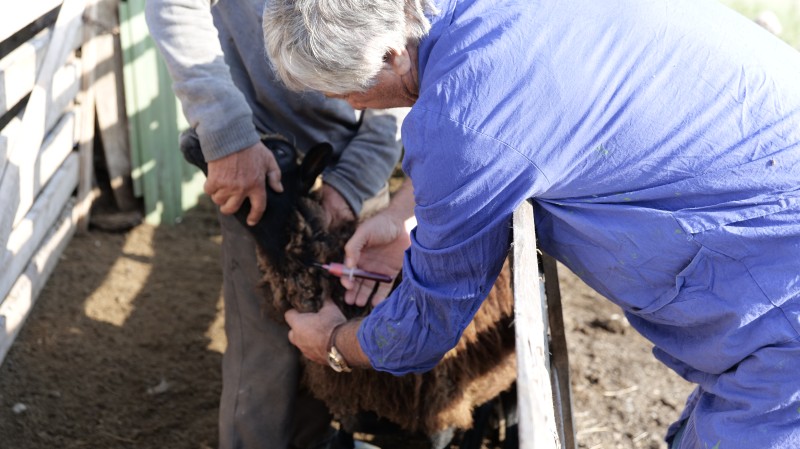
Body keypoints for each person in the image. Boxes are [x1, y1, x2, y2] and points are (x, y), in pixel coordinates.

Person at [262, 0, 800, 448]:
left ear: (390, 52)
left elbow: (425, 328)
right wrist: (406, 216)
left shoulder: (462, 115)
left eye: (347, 90)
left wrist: (334, 343)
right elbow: (520, 122)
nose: (352, 104)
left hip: (779, 281)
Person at [144, 1, 405, 448]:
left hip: (359, 153)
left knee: (340, 324)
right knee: (267, 341)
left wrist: (355, 178)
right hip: (260, 165)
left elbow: (404, 46)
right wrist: (230, 136)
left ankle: (316, 440)